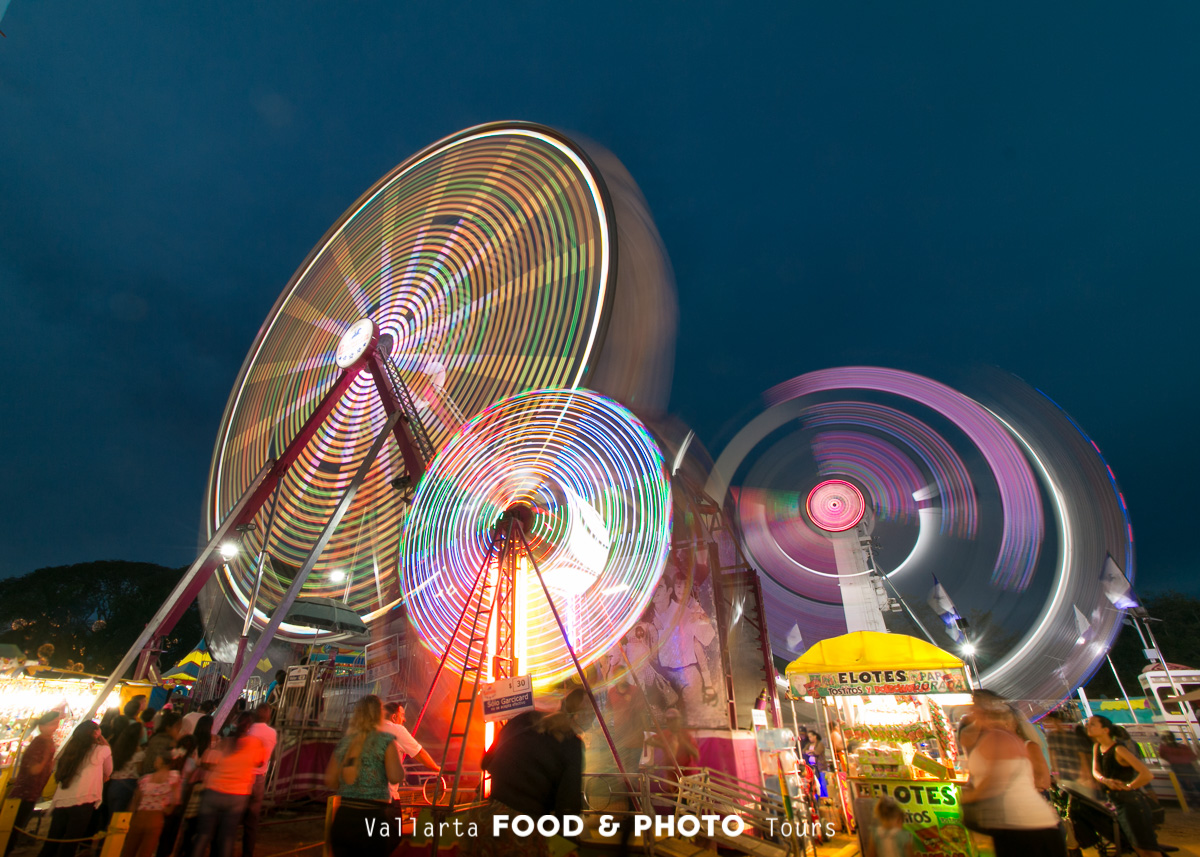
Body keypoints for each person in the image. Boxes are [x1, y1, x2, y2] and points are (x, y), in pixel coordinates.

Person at [465, 692, 591, 857]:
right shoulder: (571, 744)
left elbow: (486, 762)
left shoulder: (522, 720)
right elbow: (567, 805)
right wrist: (569, 843)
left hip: (484, 820)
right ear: (579, 717)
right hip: (520, 831)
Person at [960, 693, 1064, 857]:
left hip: (1025, 825)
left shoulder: (1000, 738)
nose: (971, 710)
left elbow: (997, 780)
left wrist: (968, 797)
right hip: (1012, 825)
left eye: (974, 706)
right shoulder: (991, 737)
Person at [323, 695, 403, 857]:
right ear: (379, 714)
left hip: (344, 817)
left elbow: (330, 780)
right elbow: (395, 776)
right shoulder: (386, 741)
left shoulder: (345, 743)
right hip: (373, 818)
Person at [190, 712, 269, 857]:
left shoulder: (224, 742)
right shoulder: (256, 744)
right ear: (251, 727)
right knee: (227, 838)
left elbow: (206, 761)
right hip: (237, 795)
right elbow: (260, 762)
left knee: (203, 836)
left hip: (213, 791)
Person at [1087, 715, 1166, 857]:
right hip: (1116, 801)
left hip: (1131, 804)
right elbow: (1095, 771)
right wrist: (1105, 780)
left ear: (1105, 730)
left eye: (1092, 724)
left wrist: (1130, 786)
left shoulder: (1119, 750)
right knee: (1137, 847)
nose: (1088, 726)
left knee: (1146, 849)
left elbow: (1147, 774)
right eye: (1088, 723)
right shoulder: (1097, 747)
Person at [39, 720, 113, 857]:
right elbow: (108, 771)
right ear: (96, 733)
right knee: (70, 841)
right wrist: (101, 738)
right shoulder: (101, 750)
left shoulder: (70, 750)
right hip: (84, 798)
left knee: (53, 838)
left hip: (62, 798)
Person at [4, 711, 62, 857]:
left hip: (32, 791)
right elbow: (34, 769)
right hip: (26, 790)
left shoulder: (46, 741)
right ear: (42, 726)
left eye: (56, 723)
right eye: (53, 724)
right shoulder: (41, 742)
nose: (55, 727)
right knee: (13, 826)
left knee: (15, 826)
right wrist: (46, 762)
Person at [121, 749, 181, 857]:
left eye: (156, 761)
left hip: (139, 817)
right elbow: (175, 799)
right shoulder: (173, 778)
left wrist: (128, 818)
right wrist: (167, 809)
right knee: (146, 852)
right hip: (156, 819)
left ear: (161, 762)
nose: (154, 763)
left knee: (129, 850)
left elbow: (135, 802)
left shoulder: (145, 780)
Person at [379, 701, 438, 798]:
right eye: (402, 715)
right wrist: (437, 769)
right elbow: (420, 754)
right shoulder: (397, 730)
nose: (404, 719)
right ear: (394, 717)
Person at [241, 704, 278, 857]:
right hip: (259, 780)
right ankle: (247, 852)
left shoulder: (248, 730)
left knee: (232, 817)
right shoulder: (272, 733)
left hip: (242, 777)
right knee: (252, 821)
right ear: (269, 716)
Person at [106, 722, 148, 814]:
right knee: (120, 820)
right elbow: (139, 771)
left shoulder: (120, 747)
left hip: (114, 784)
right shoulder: (138, 752)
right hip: (128, 785)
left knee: (111, 817)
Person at [1157, 733, 1200, 804]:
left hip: (1176, 766)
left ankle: (1194, 801)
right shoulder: (1183, 747)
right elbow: (1193, 757)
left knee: (1185, 785)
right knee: (1196, 782)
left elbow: (1162, 755)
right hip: (1188, 766)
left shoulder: (1164, 748)